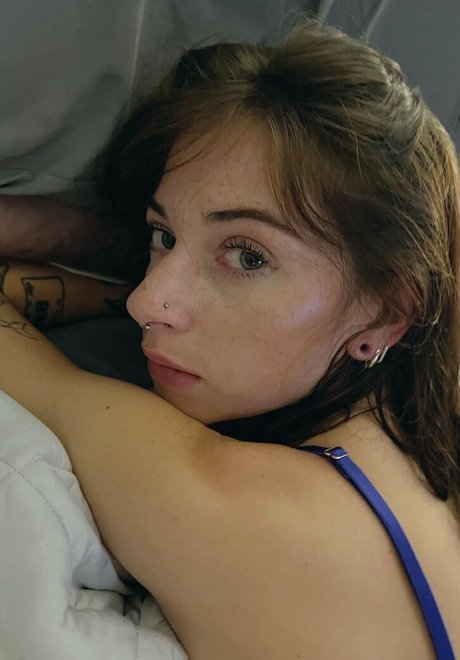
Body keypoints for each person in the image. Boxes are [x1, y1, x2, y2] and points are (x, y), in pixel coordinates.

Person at [0, 19, 459, 659]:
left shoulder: (244, 508)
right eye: (162, 236)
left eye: (247, 257)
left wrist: (75, 240)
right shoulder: (429, 483)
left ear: (387, 314)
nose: (145, 302)